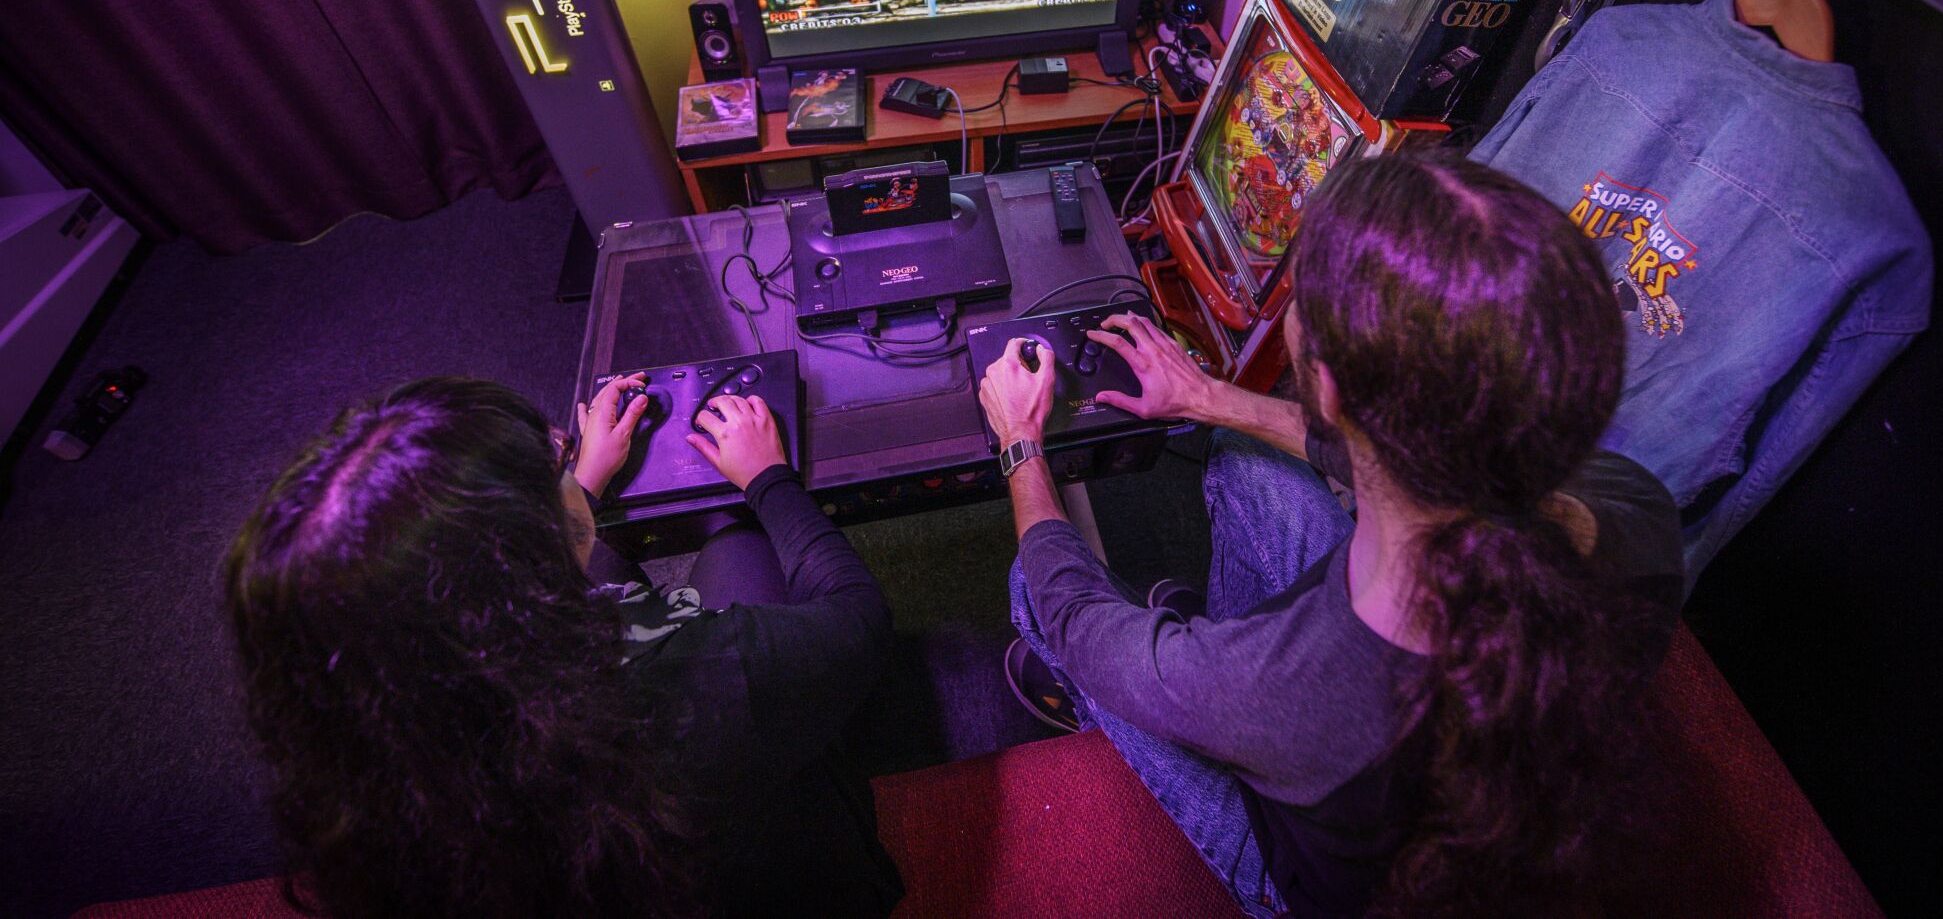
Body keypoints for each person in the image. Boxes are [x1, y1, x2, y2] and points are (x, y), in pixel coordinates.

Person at [977, 153, 1684, 919]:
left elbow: (1081, 623)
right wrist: (1210, 397)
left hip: (1302, 862)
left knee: (1039, 587)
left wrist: (1021, 443)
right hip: (1357, 766)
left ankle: (1133, 705)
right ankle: (1201, 639)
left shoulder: (1291, 688)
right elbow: (1414, 453)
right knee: (1246, 465)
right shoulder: (1631, 509)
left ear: (1334, 388)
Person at [225, 374, 902, 919]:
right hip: (769, 882)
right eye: (555, 459)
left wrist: (580, 485)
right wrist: (769, 477)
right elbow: (862, 623)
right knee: (739, 537)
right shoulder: (696, 679)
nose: (563, 441)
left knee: (603, 558)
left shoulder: (373, 754)